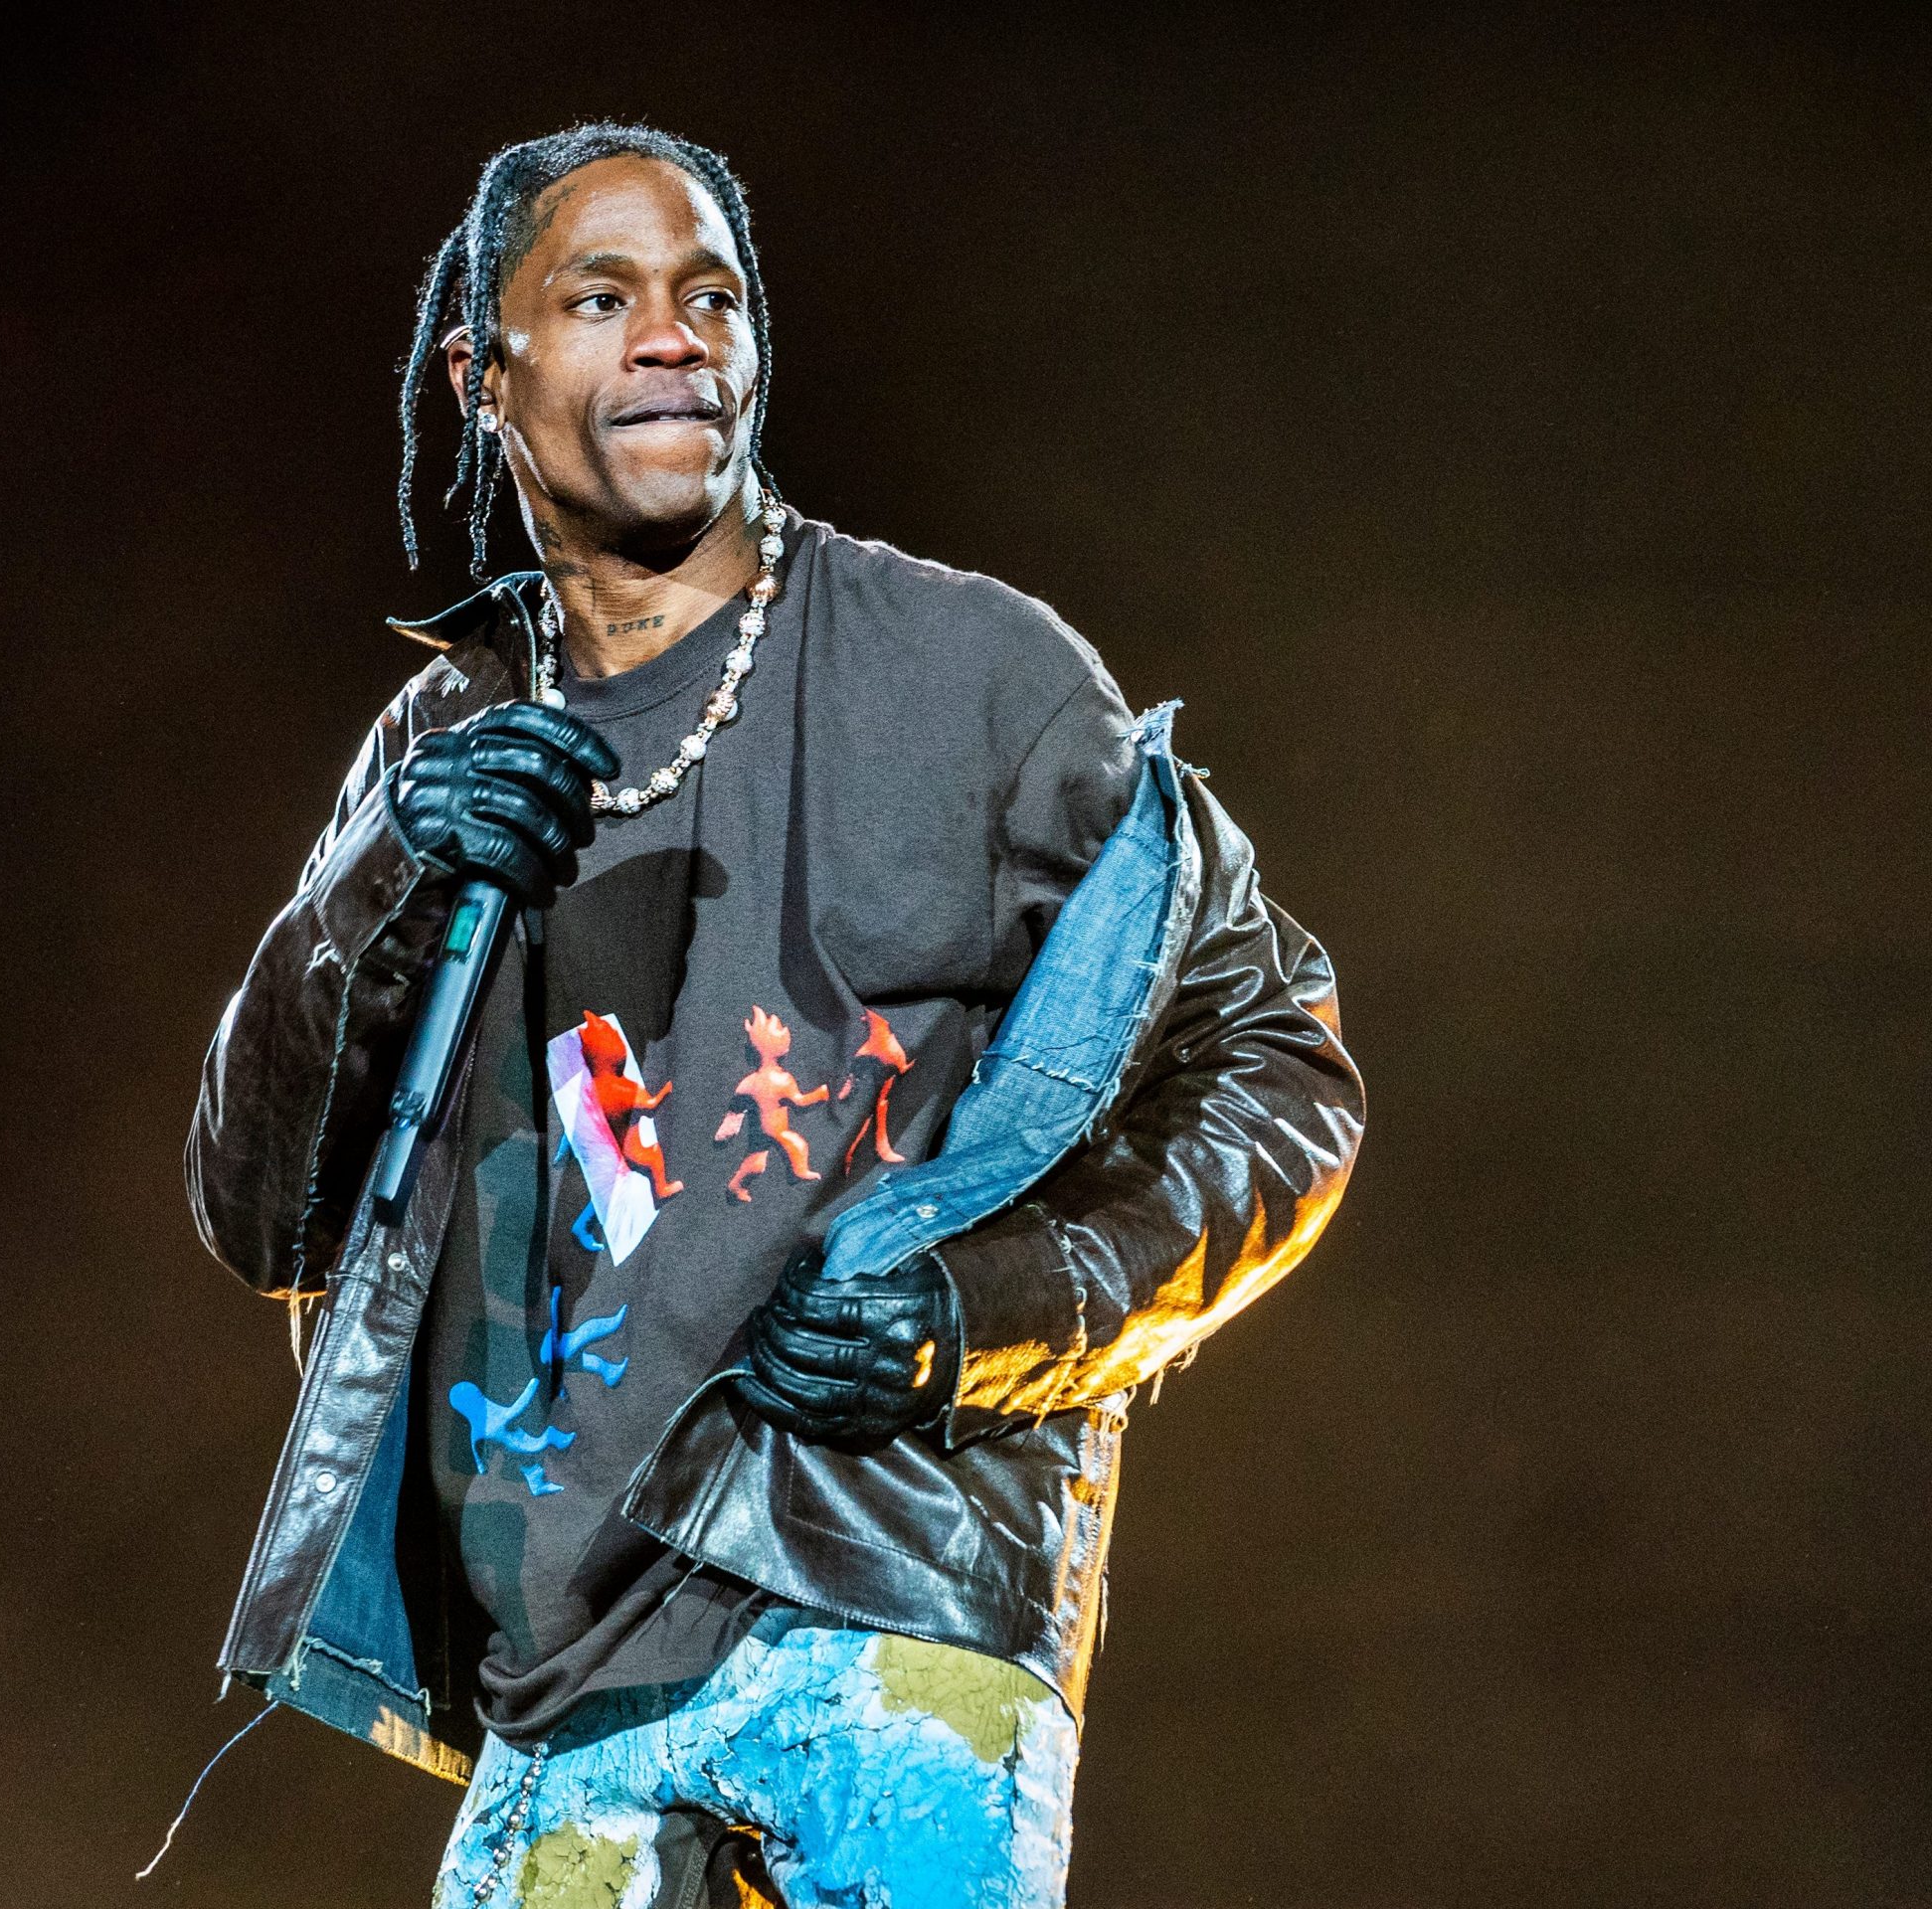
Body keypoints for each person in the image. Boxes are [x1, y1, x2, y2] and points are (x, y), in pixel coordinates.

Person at [184, 122, 1364, 1909]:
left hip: (888, 1618)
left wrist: (987, 1315)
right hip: (555, 1693)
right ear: (481, 372)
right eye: (601, 298)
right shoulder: (433, 758)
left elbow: (1280, 1076)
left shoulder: (972, 676)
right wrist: (383, 887)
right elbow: (257, 1210)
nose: (673, 337)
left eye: (711, 295)